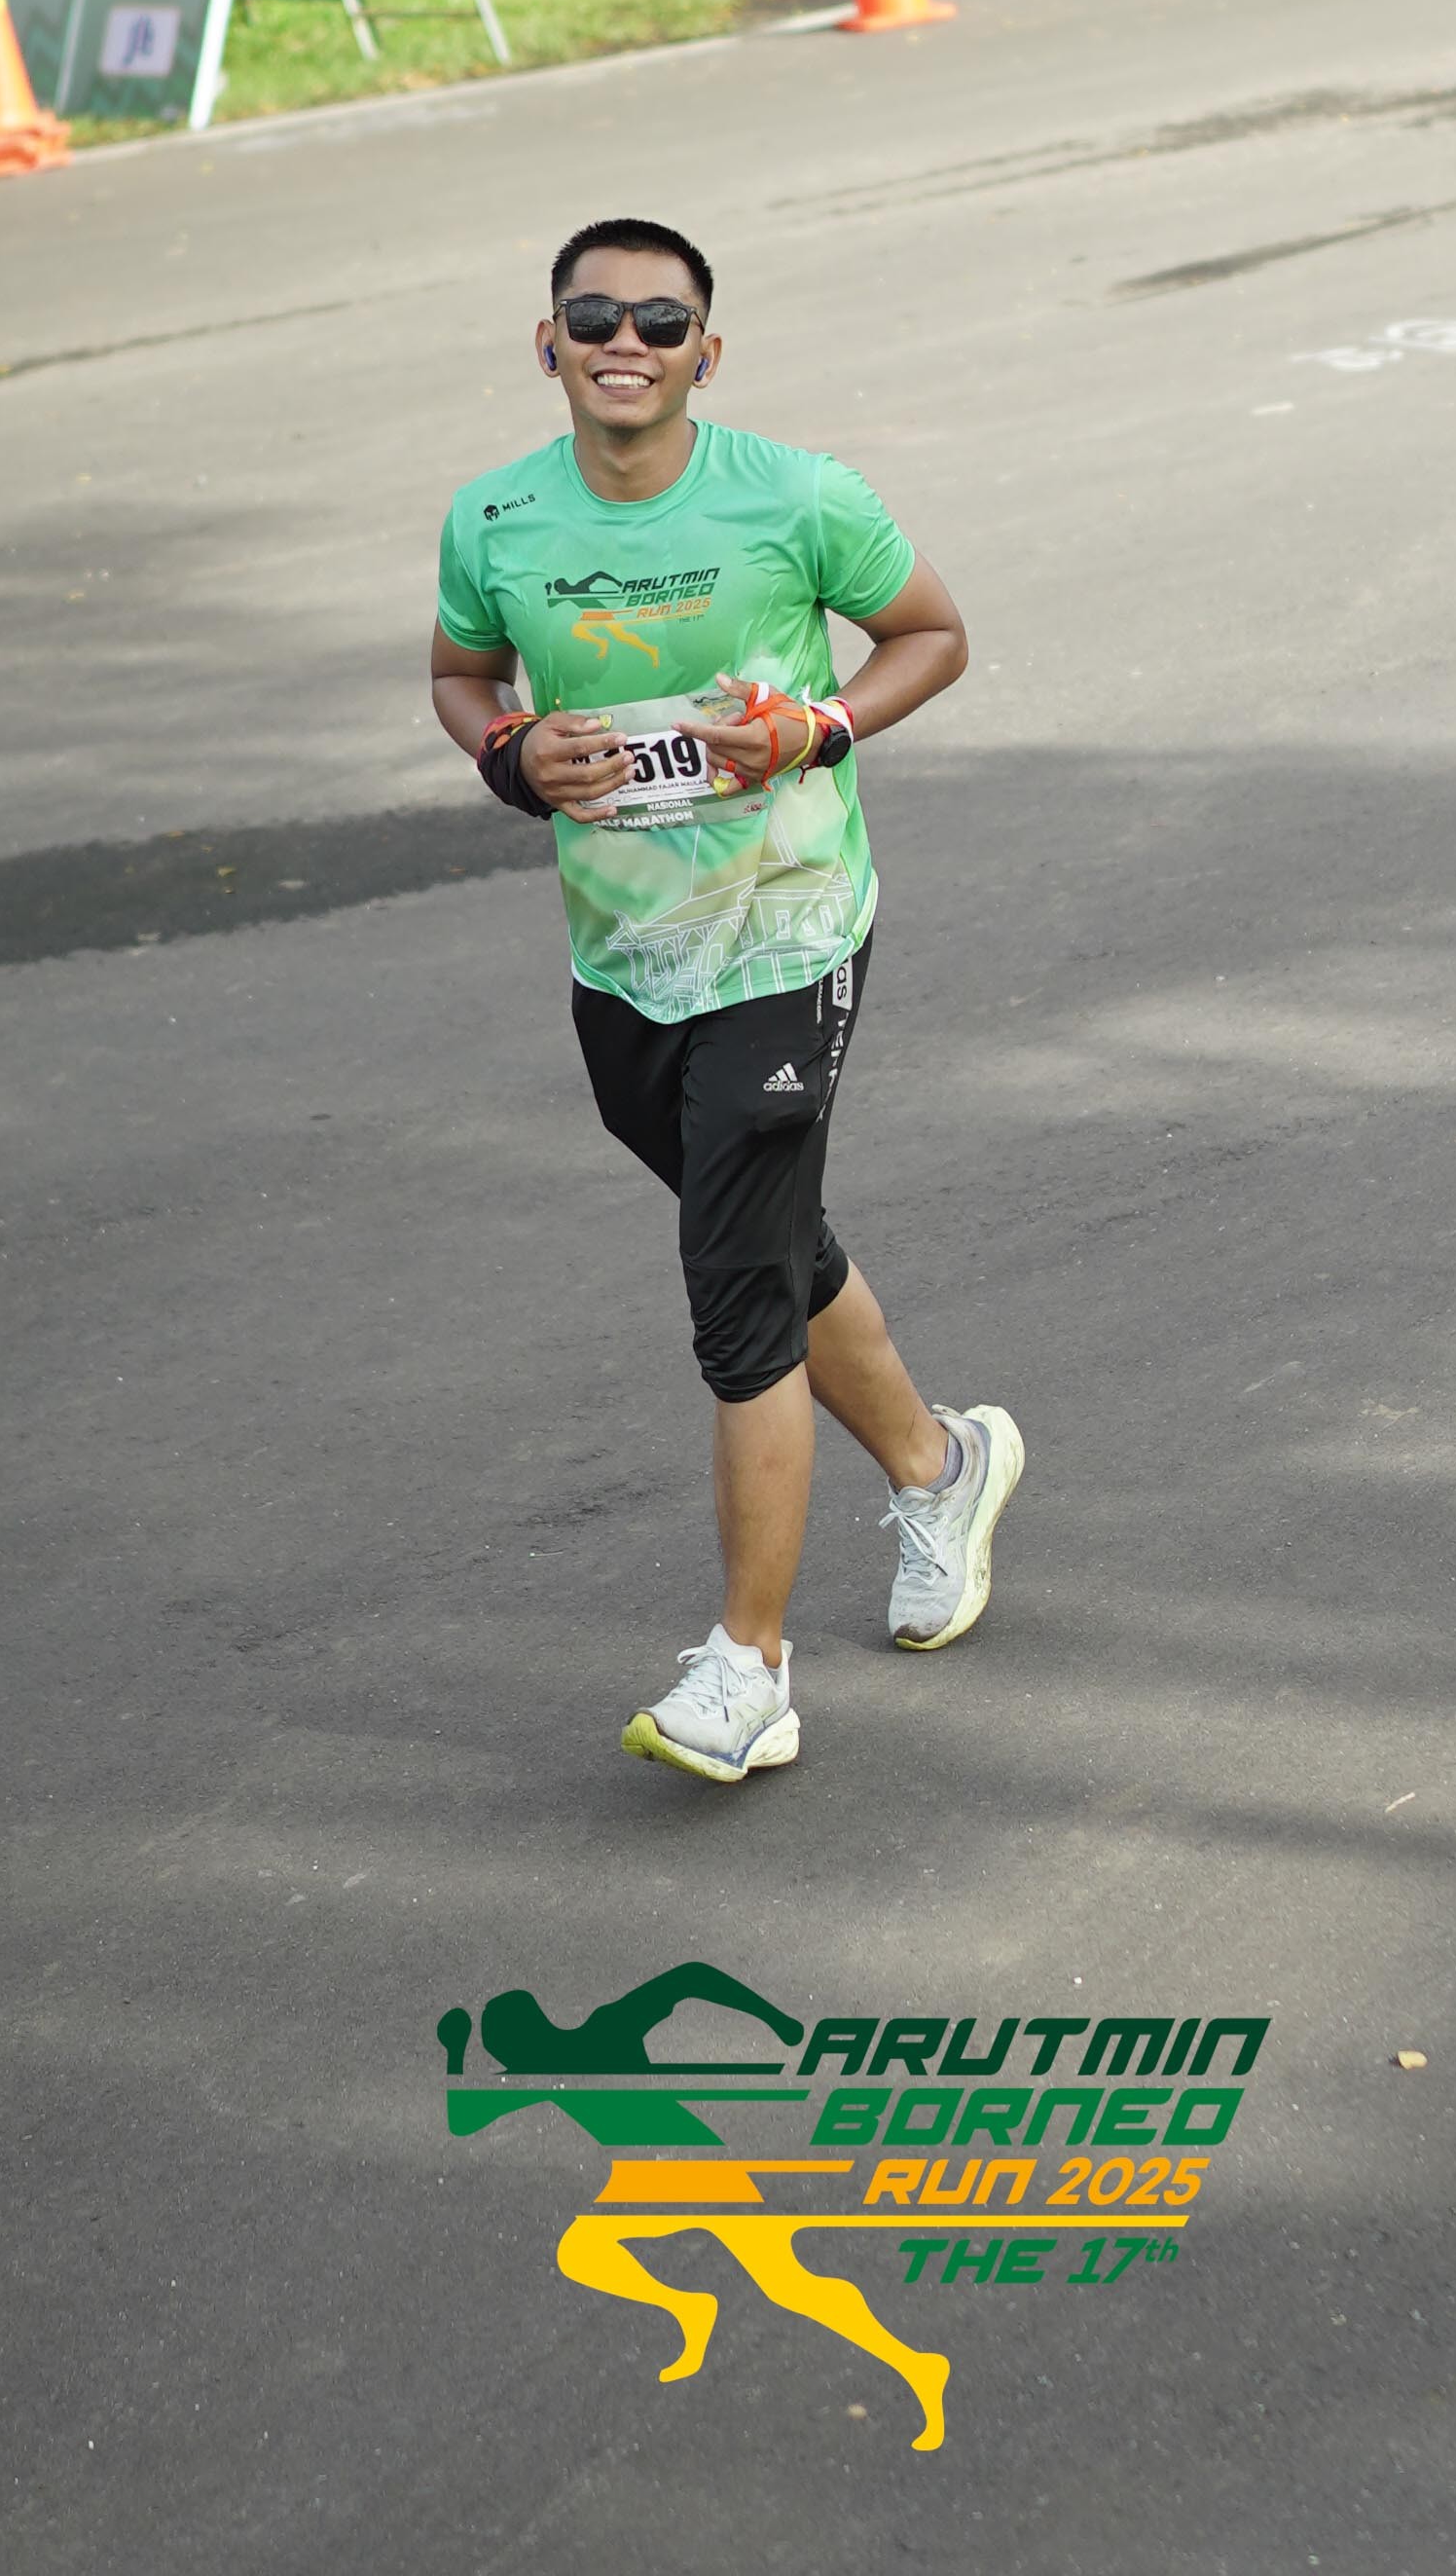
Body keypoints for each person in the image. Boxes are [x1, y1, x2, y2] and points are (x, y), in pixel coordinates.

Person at [429, 217, 1025, 1785]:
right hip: (624, 952)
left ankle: (748, 1670)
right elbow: (460, 675)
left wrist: (820, 727)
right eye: (594, 317)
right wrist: (507, 755)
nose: (625, 343)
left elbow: (934, 636)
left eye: (660, 321)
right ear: (547, 342)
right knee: (763, 1231)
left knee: (736, 1292)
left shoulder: (798, 495)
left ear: (708, 349)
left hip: (788, 927)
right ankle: (939, 1466)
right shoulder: (494, 518)